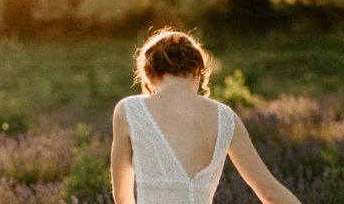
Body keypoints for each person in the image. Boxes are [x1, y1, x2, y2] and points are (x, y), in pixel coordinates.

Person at [111, 27, 301, 204]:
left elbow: (123, 196)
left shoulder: (130, 110)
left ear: (149, 74)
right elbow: (271, 191)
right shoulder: (225, 118)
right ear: (198, 72)